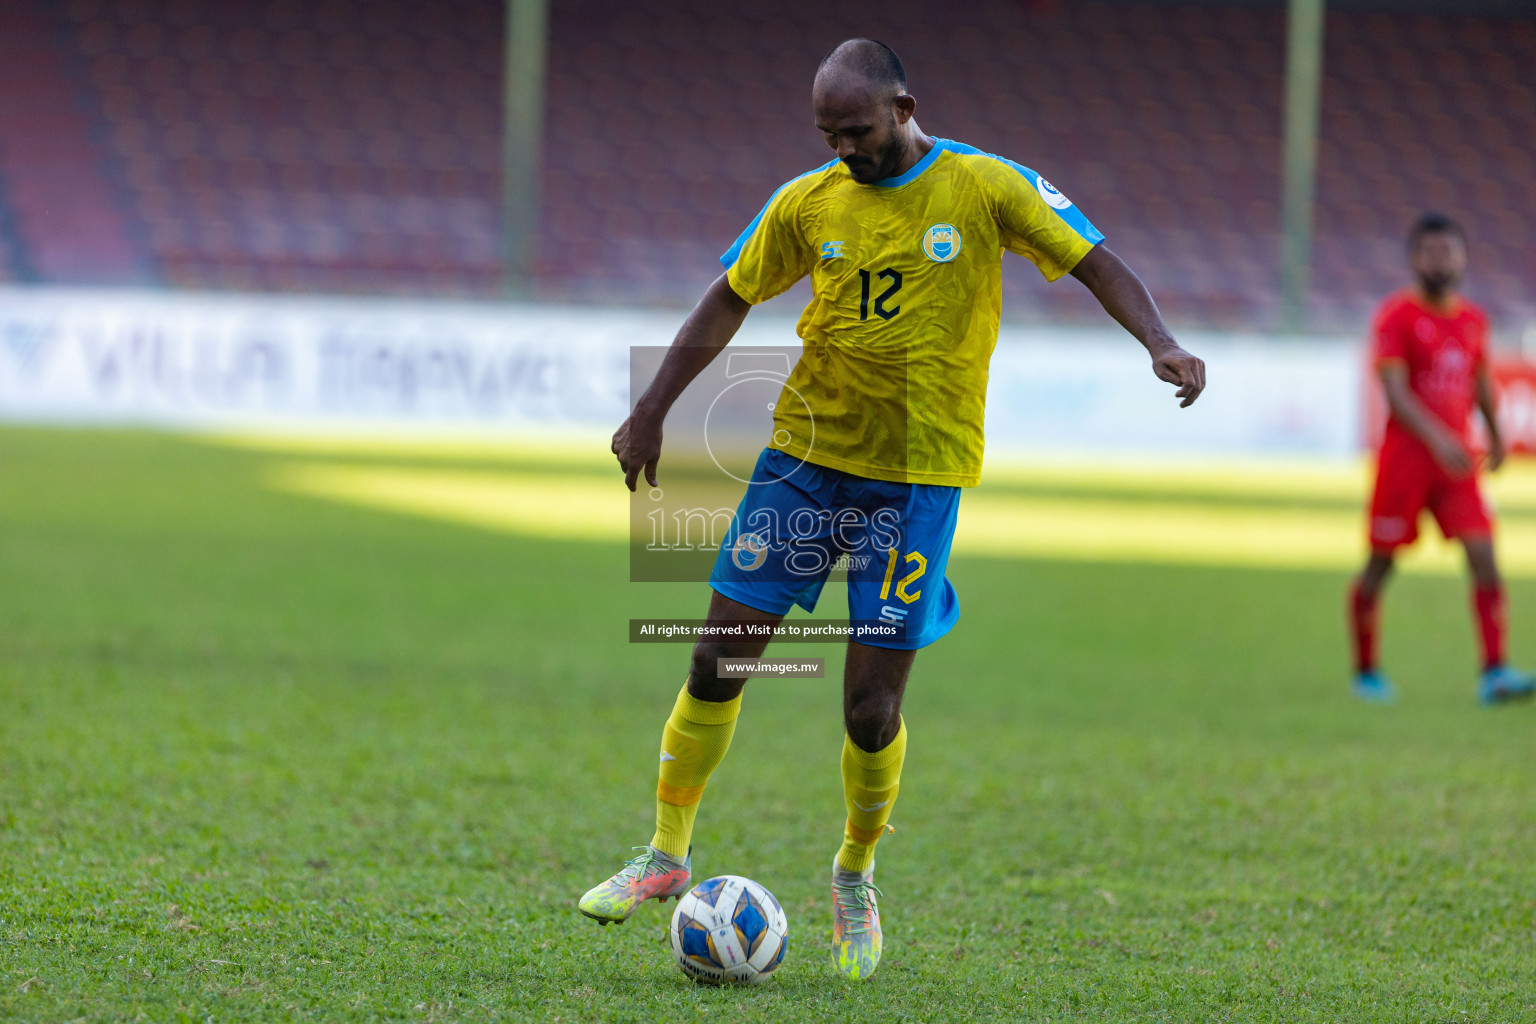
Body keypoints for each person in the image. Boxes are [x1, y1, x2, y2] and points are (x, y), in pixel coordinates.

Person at [580, 38, 1206, 980]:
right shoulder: (809, 201)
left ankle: (854, 874)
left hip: (917, 480)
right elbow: (727, 297)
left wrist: (1160, 342)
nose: (844, 150)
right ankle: (668, 854)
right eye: (829, 134)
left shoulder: (988, 187)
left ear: (905, 107)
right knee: (716, 654)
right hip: (803, 461)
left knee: (870, 711)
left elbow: (1094, 259)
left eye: (858, 131)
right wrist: (651, 408)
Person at [1348, 212, 1534, 705]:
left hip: (1456, 467)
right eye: (1430, 252)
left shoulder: (1473, 320)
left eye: (1448, 252)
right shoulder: (1395, 316)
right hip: (1406, 463)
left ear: (1463, 258)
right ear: (1414, 259)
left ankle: (1494, 672)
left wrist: (1495, 436)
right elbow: (1395, 390)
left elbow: (1479, 382)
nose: (1440, 261)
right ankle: (1366, 671)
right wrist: (1437, 439)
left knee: (1485, 560)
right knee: (1380, 565)